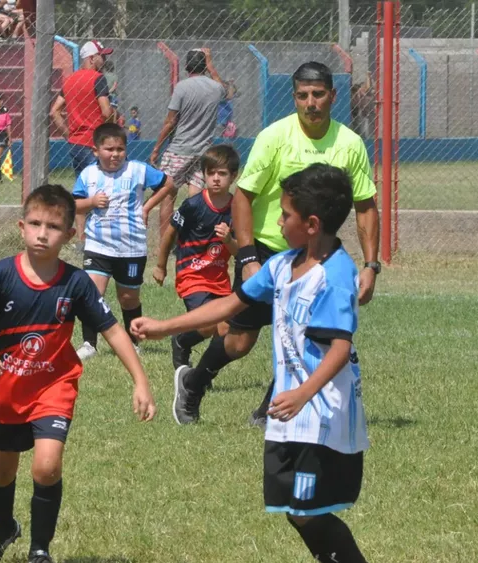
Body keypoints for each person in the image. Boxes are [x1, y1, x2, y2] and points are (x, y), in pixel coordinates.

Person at [131, 163, 401, 563]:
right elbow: (230, 305)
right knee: (296, 510)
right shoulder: (282, 265)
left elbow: (339, 347)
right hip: (291, 415)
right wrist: (166, 326)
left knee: (308, 510)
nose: (277, 221)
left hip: (323, 415)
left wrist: (301, 392)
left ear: (312, 224)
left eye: (287, 214)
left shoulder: (335, 275)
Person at [0, 184, 156, 563]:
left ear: (70, 235)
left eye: (53, 226)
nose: (42, 233)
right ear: (21, 226)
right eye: (35, 223)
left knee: (46, 467)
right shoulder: (1, 273)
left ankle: (40, 553)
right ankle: (4, 527)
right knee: (1, 471)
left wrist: (141, 381)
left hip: (54, 387)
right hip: (9, 389)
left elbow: (113, 331)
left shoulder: (77, 283)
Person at [169, 61, 381, 426]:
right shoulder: (274, 137)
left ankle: (270, 412)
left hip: (321, 255)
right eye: (302, 95)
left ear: (332, 96)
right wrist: (248, 255)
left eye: (318, 95)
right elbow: (242, 197)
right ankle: (193, 381)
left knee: (308, 337)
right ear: (294, 97)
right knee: (238, 343)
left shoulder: (350, 144)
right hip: (269, 251)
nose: (310, 103)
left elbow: (365, 206)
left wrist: (370, 265)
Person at [72, 123, 174, 360]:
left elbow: (168, 184)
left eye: (120, 148)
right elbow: (74, 204)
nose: (115, 154)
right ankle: (89, 343)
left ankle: (133, 341)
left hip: (131, 247)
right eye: (109, 149)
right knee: (91, 294)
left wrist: (147, 206)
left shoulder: (137, 170)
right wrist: (91, 203)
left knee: (128, 298)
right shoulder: (88, 174)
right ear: (96, 150)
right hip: (98, 244)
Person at [153, 144, 239, 369]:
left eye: (222, 173)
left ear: (233, 176)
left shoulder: (237, 209)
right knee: (207, 324)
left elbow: (240, 252)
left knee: (224, 329)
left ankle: (201, 373)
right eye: (211, 173)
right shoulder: (193, 205)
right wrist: (160, 266)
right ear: (204, 175)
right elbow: (171, 231)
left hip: (219, 279)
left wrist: (229, 241)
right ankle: (181, 341)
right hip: (191, 273)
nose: (216, 179)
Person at [150, 48, 231, 240]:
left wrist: (156, 148)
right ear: (204, 66)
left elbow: (171, 121)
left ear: (187, 66)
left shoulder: (182, 87)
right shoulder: (215, 87)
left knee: (168, 194)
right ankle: (192, 237)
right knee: (196, 197)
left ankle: (165, 241)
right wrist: (212, 66)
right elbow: (226, 92)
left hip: (179, 148)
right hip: (203, 151)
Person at [50, 40, 114, 176]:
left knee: (83, 187)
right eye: (101, 56)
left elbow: (54, 111)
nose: (104, 60)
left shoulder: (70, 80)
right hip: (94, 142)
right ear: (91, 58)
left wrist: (69, 135)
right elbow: (106, 112)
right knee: (101, 186)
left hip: (75, 144)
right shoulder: (98, 78)